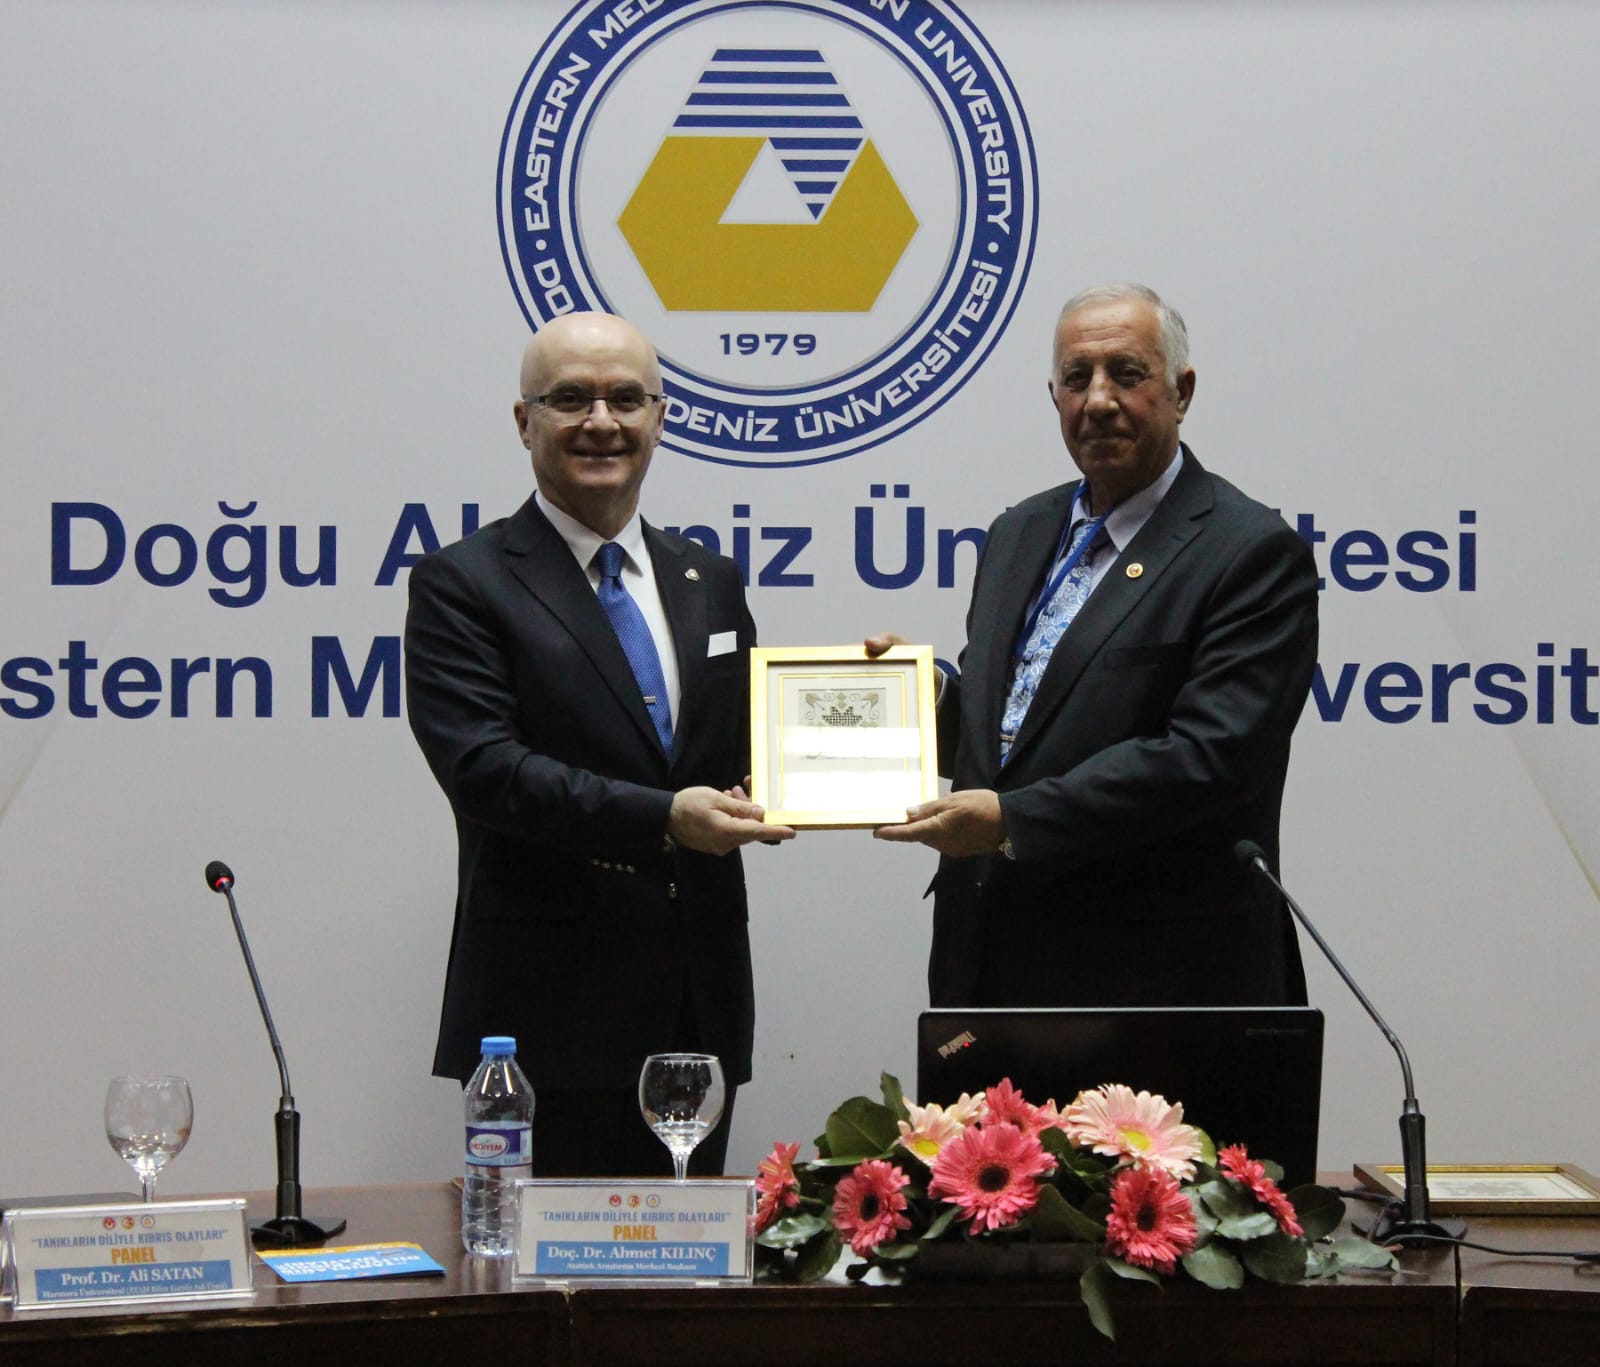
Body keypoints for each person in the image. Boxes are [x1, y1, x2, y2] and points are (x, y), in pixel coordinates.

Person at [405, 311, 791, 1177]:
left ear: (661, 417)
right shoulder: (463, 583)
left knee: (688, 1255)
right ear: (525, 421)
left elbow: (744, 748)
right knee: (550, 1260)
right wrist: (668, 818)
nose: (601, 422)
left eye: (626, 398)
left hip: (698, 1007)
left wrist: (873, 712)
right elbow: (487, 772)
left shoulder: (709, 579)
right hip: (545, 1015)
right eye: (571, 398)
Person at [873, 283, 1318, 1007]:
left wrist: (1012, 822)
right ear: (1054, 397)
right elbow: (1018, 734)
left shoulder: (1248, 552)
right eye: (1077, 378)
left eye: (1127, 373)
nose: (1100, 400)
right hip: (988, 957)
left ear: (1182, 390)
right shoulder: (1018, 532)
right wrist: (932, 700)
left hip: (1154, 979)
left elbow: (1208, 757)